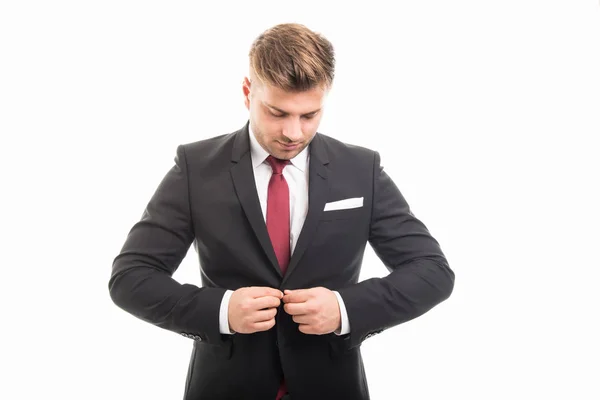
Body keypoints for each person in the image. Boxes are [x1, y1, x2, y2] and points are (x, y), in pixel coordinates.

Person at [109, 22, 455, 400]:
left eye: (309, 115)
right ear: (247, 92)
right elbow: (131, 278)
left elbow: (432, 272)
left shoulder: (361, 169)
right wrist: (222, 310)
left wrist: (344, 309)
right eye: (277, 113)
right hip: (225, 387)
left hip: (332, 387)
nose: (294, 133)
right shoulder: (195, 167)